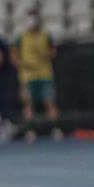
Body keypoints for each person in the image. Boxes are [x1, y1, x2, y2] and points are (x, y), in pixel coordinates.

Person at [13, 10, 61, 141]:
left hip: (45, 74)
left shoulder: (46, 35)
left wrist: (47, 55)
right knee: (28, 103)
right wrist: (21, 64)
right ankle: (30, 131)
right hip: (28, 76)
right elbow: (14, 54)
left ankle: (55, 129)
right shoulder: (21, 36)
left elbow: (53, 51)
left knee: (49, 102)